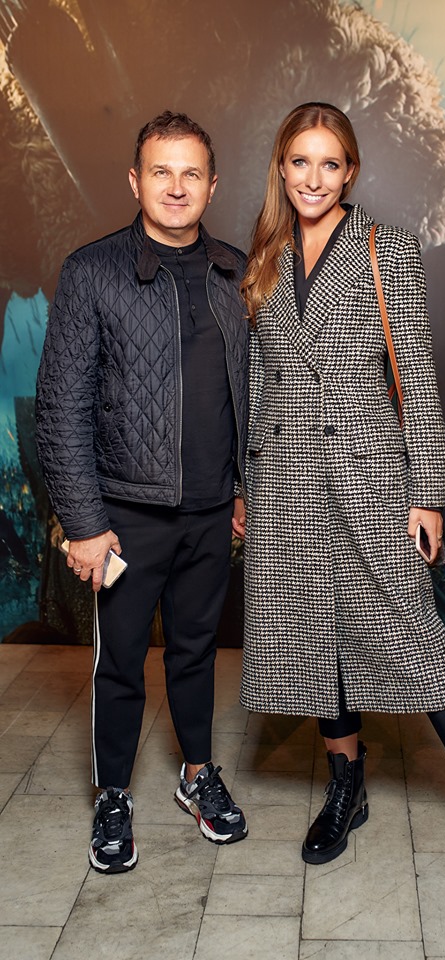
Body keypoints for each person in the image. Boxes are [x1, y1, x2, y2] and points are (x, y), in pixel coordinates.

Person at [239, 102, 445, 928]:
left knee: (416, 639)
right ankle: (347, 783)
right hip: (285, 478)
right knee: (315, 632)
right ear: (281, 168)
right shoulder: (265, 254)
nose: (313, 178)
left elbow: (417, 375)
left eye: (329, 163)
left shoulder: (386, 247)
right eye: (299, 162)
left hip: (370, 476)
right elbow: (260, 380)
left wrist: (427, 494)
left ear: (350, 171)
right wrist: (247, 485)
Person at [35, 111, 249, 873]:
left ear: (213, 185)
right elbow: (61, 406)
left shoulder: (236, 272)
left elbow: (253, 394)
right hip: (125, 517)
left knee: (196, 652)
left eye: (191, 173)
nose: (176, 187)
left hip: (211, 512)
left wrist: (245, 489)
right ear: (135, 181)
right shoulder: (91, 271)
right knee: (120, 661)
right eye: (161, 171)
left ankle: (197, 775)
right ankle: (114, 794)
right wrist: (84, 523)